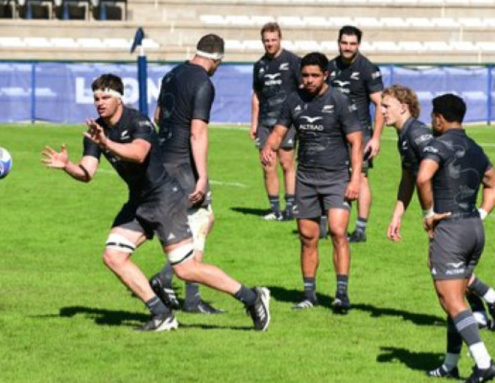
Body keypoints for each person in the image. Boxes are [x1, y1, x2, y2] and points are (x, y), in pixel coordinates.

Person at [43, 73, 271, 332]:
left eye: (106, 97)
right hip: (139, 201)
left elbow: (139, 154)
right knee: (113, 255)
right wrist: (67, 166)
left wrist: (107, 142)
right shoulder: (95, 131)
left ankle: (253, 298)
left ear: (119, 99)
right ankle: (161, 313)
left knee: (185, 269)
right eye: (96, 98)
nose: (100, 102)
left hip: (165, 198)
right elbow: (87, 173)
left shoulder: (138, 120)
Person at [380, 85, 495, 337]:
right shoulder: (405, 135)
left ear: (403, 108)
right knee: (445, 265)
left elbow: (438, 168)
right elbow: (409, 177)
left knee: (446, 266)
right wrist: (397, 214)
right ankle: (487, 304)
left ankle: (485, 306)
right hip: (441, 211)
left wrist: (434, 212)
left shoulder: (418, 135)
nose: (381, 110)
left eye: (385, 106)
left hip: (447, 212)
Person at [261, 52, 363, 313]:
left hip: (337, 178)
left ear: (325, 75)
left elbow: (355, 142)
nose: (309, 80)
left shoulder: (339, 100)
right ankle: (309, 294)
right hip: (305, 178)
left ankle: (341, 294)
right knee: (308, 237)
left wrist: (354, 179)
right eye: (305, 75)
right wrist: (269, 148)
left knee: (339, 232)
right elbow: (280, 132)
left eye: (314, 75)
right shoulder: (293, 100)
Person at [417, 94, 495, 382]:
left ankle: (483, 363)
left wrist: (429, 212)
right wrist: (481, 213)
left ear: (439, 118)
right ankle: (449, 364)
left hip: (451, 229)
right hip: (474, 228)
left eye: (433, 116)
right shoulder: (475, 147)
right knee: (454, 299)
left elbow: (422, 177)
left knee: (452, 300)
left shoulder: (437, 144)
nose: (432, 121)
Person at [150, 34, 226, 314]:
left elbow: (158, 116)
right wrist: (202, 176)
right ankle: (188, 295)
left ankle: (168, 279)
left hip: (163, 158)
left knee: (201, 220)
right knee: (201, 220)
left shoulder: (171, 74)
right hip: (184, 164)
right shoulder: (203, 82)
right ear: (217, 60)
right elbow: (198, 132)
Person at [328, 25, 384, 243]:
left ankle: (360, 228)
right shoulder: (330, 67)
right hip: (333, 133)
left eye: (352, 44)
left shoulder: (368, 68)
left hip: (360, 133)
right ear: (338, 42)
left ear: (358, 45)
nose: (347, 47)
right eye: (344, 43)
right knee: (333, 176)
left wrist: (376, 137)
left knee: (360, 177)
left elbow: (380, 104)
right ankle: (330, 223)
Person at [251, 22, 301, 222]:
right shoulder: (259, 65)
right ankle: (275, 209)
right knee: (267, 165)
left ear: (280, 39)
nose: (270, 44)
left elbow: (302, 89)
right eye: (266, 41)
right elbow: (256, 95)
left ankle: (291, 207)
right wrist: (254, 123)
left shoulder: (293, 61)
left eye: (273, 40)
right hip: (265, 122)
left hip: (287, 122)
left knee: (287, 163)